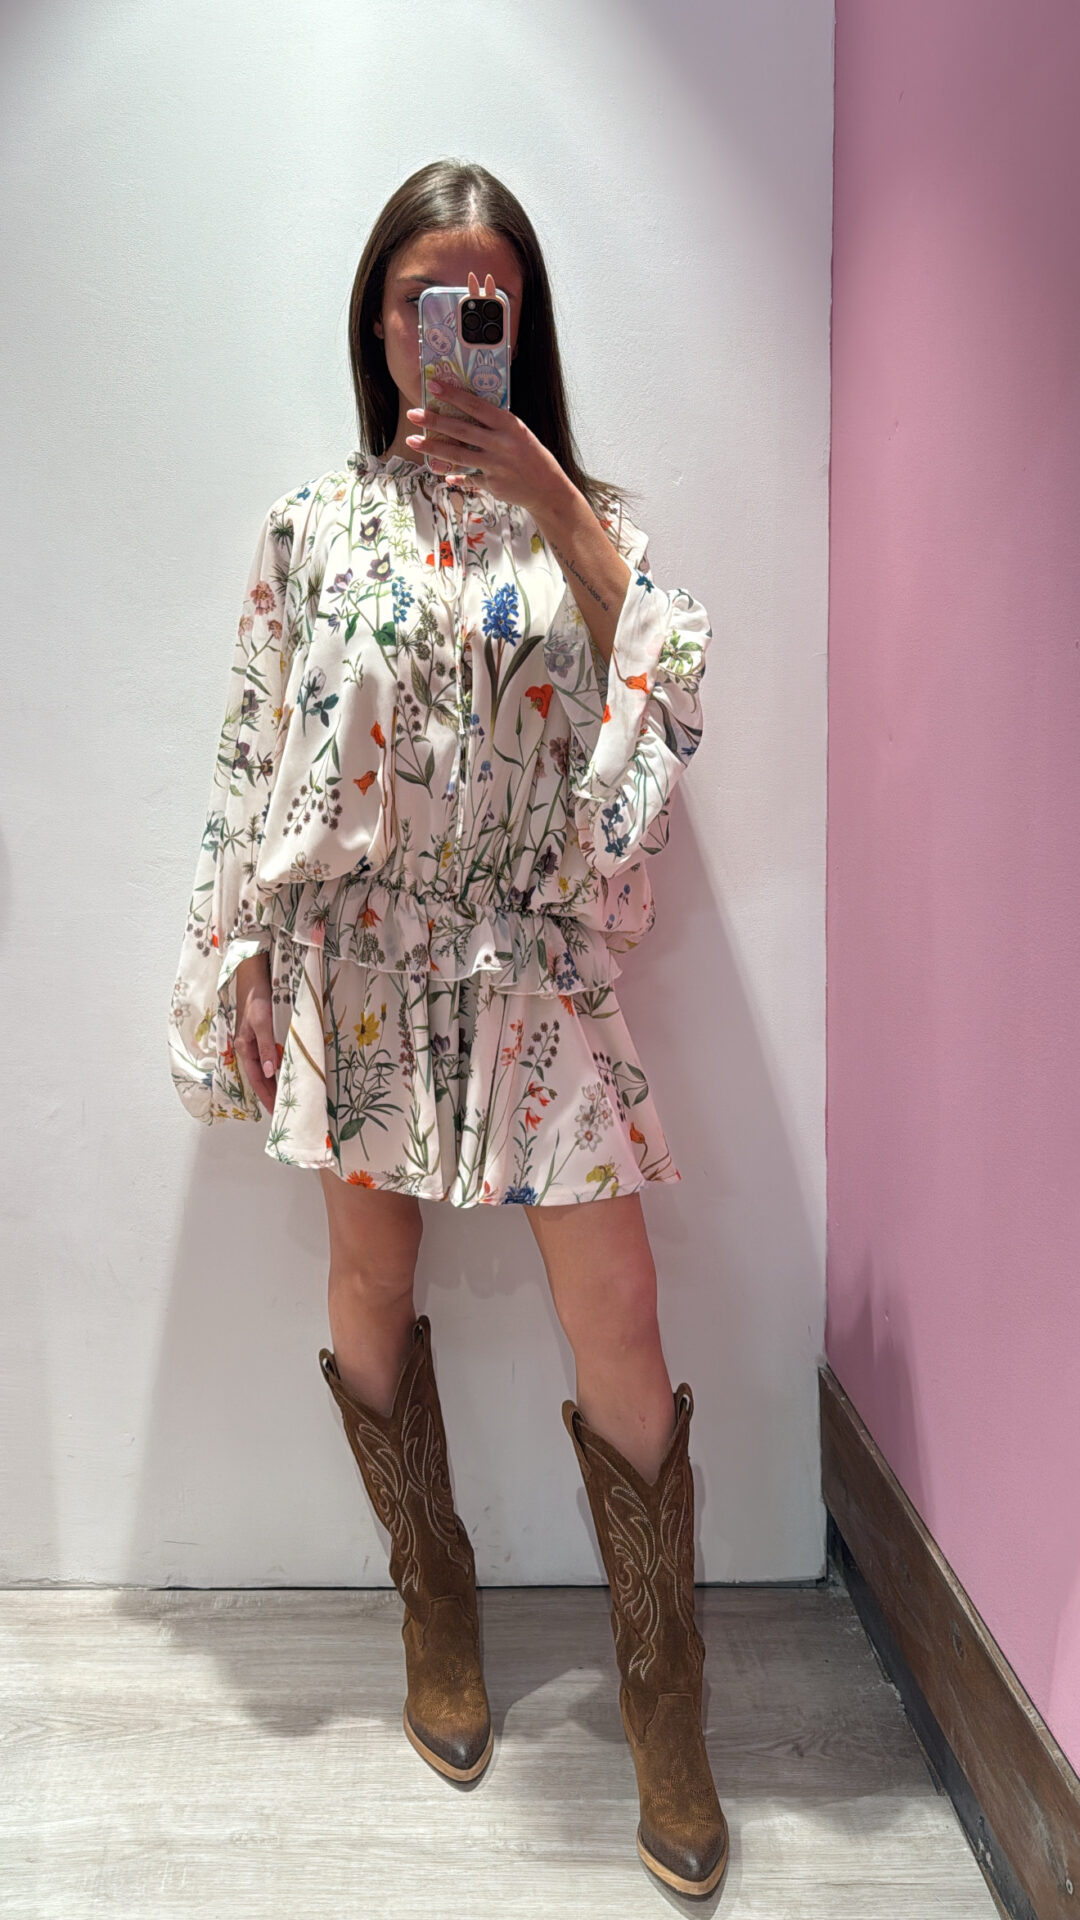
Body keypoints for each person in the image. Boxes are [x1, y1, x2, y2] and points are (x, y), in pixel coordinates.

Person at [167, 158, 725, 1898]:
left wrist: (551, 494)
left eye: (487, 304)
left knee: (618, 1307)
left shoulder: (594, 527)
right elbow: (253, 750)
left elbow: (668, 698)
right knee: (367, 1278)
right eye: (424, 301)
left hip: (534, 968)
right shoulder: (312, 526)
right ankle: (436, 1594)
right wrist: (233, 954)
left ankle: (666, 1689)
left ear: (521, 323)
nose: (450, 333)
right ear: (378, 319)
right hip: (359, 966)